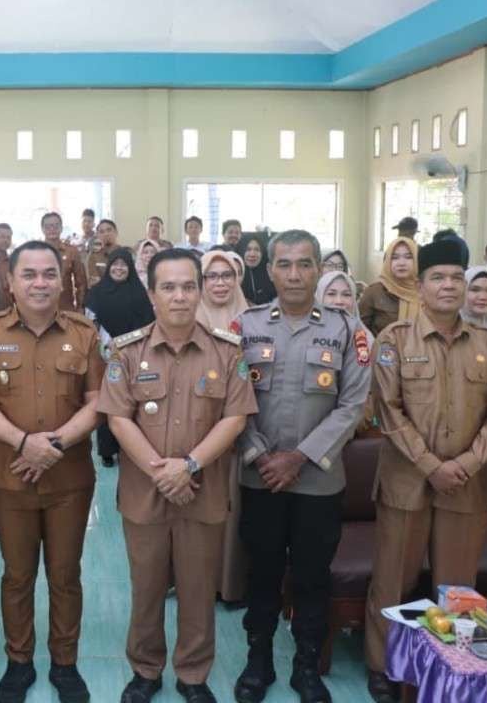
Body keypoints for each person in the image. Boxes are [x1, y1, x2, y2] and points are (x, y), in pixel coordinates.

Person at [100, 248, 258, 703]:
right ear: (151, 294)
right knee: (146, 587)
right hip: (144, 493)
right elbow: (118, 419)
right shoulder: (126, 351)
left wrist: (187, 467)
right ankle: (145, 670)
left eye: (189, 286)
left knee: (196, 589)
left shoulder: (227, 352)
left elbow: (235, 418)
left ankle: (193, 674)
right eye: (168, 287)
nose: (180, 296)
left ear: (201, 290)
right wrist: (162, 471)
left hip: (201, 491)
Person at [363, 239, 487, 703]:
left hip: (465, 488)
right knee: (394, 580)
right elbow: (387, 412)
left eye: (455, 277)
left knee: (456, 585)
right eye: (437, 277)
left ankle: (450, 669)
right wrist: (431, 466)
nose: (448, 286)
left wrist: (463, 465)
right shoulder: (395, 341)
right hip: (406, 485)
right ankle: (383, 667)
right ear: (420, 285)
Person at [233, 230, 370, 703]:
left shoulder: (348, 331)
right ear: (268, 270)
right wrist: (259, 454)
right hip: (259, 477)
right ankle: (259, 659)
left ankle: (307, 666)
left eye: (305, 264)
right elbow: (232, 404)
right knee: (263, 572)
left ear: (320, 270)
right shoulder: (243, 327)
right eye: (284, 264)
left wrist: (299, 458)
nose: (294, 274)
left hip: (318, 482)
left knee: (313, 576)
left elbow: (352, 406)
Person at [0, 241, 104, 703]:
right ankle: (18, 662)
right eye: (30, 274)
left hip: (69, 482)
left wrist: (54, 445)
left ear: (61, 281)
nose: (40, 283)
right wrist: (25, 443)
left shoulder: (85, 333)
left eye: (49, 274)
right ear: (11, 282)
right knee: (16, 575)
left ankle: (65, 664)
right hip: (10, 477)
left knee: (65, 575)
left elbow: (98, 403)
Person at [194, 249, 251, 604]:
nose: (220, 283)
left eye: (227, 276)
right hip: (194, 429)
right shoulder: (187, 319)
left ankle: (228, 585)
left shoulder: (253, 322)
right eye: (212, 276)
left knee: (231, 509)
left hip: (239, 431)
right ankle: (191, 582)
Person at [84, 249, 155, 468]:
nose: (119, 268)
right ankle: (107, 449)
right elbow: (90, 321)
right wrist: (104, 344)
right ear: (109, 266)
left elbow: (148, 323)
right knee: (109, 401)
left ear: (130, 268)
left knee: (130, 401)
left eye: (124, 265)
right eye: (115, 264)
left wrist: (127, 342)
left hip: (134, 353)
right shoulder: (97, 292)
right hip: (105, 352)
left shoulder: (139, 292)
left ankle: (130, 445)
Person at [359, 237, 419, 337]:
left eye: (408, 257)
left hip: (421, 352)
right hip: (381, 350)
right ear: (387, 262)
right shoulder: (374, 292)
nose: (401, 263)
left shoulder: (425, 292)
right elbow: (360, 331)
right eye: (394, 257)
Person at [41, 212, 88, 311]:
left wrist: (80, 306)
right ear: (43, 229)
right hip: (41, 309)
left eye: (56, 226)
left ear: (61, 228)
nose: (52, 229)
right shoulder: (35, 251)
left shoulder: (71, 251)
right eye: (48, 226)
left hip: (66, 309)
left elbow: (81, 282)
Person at [87, 219, 129, 287]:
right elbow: (94, 282)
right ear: (97, 235)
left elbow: (130, 280)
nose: (106, 234)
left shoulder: (126, 253)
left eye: (109, 230)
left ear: (116, 232)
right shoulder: (93, 256)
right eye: (102, 232)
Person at [238, 234, 276, 306]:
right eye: (248, 250)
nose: (252, 254)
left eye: (257, 250)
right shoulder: (235, 274)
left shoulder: (270, 272)